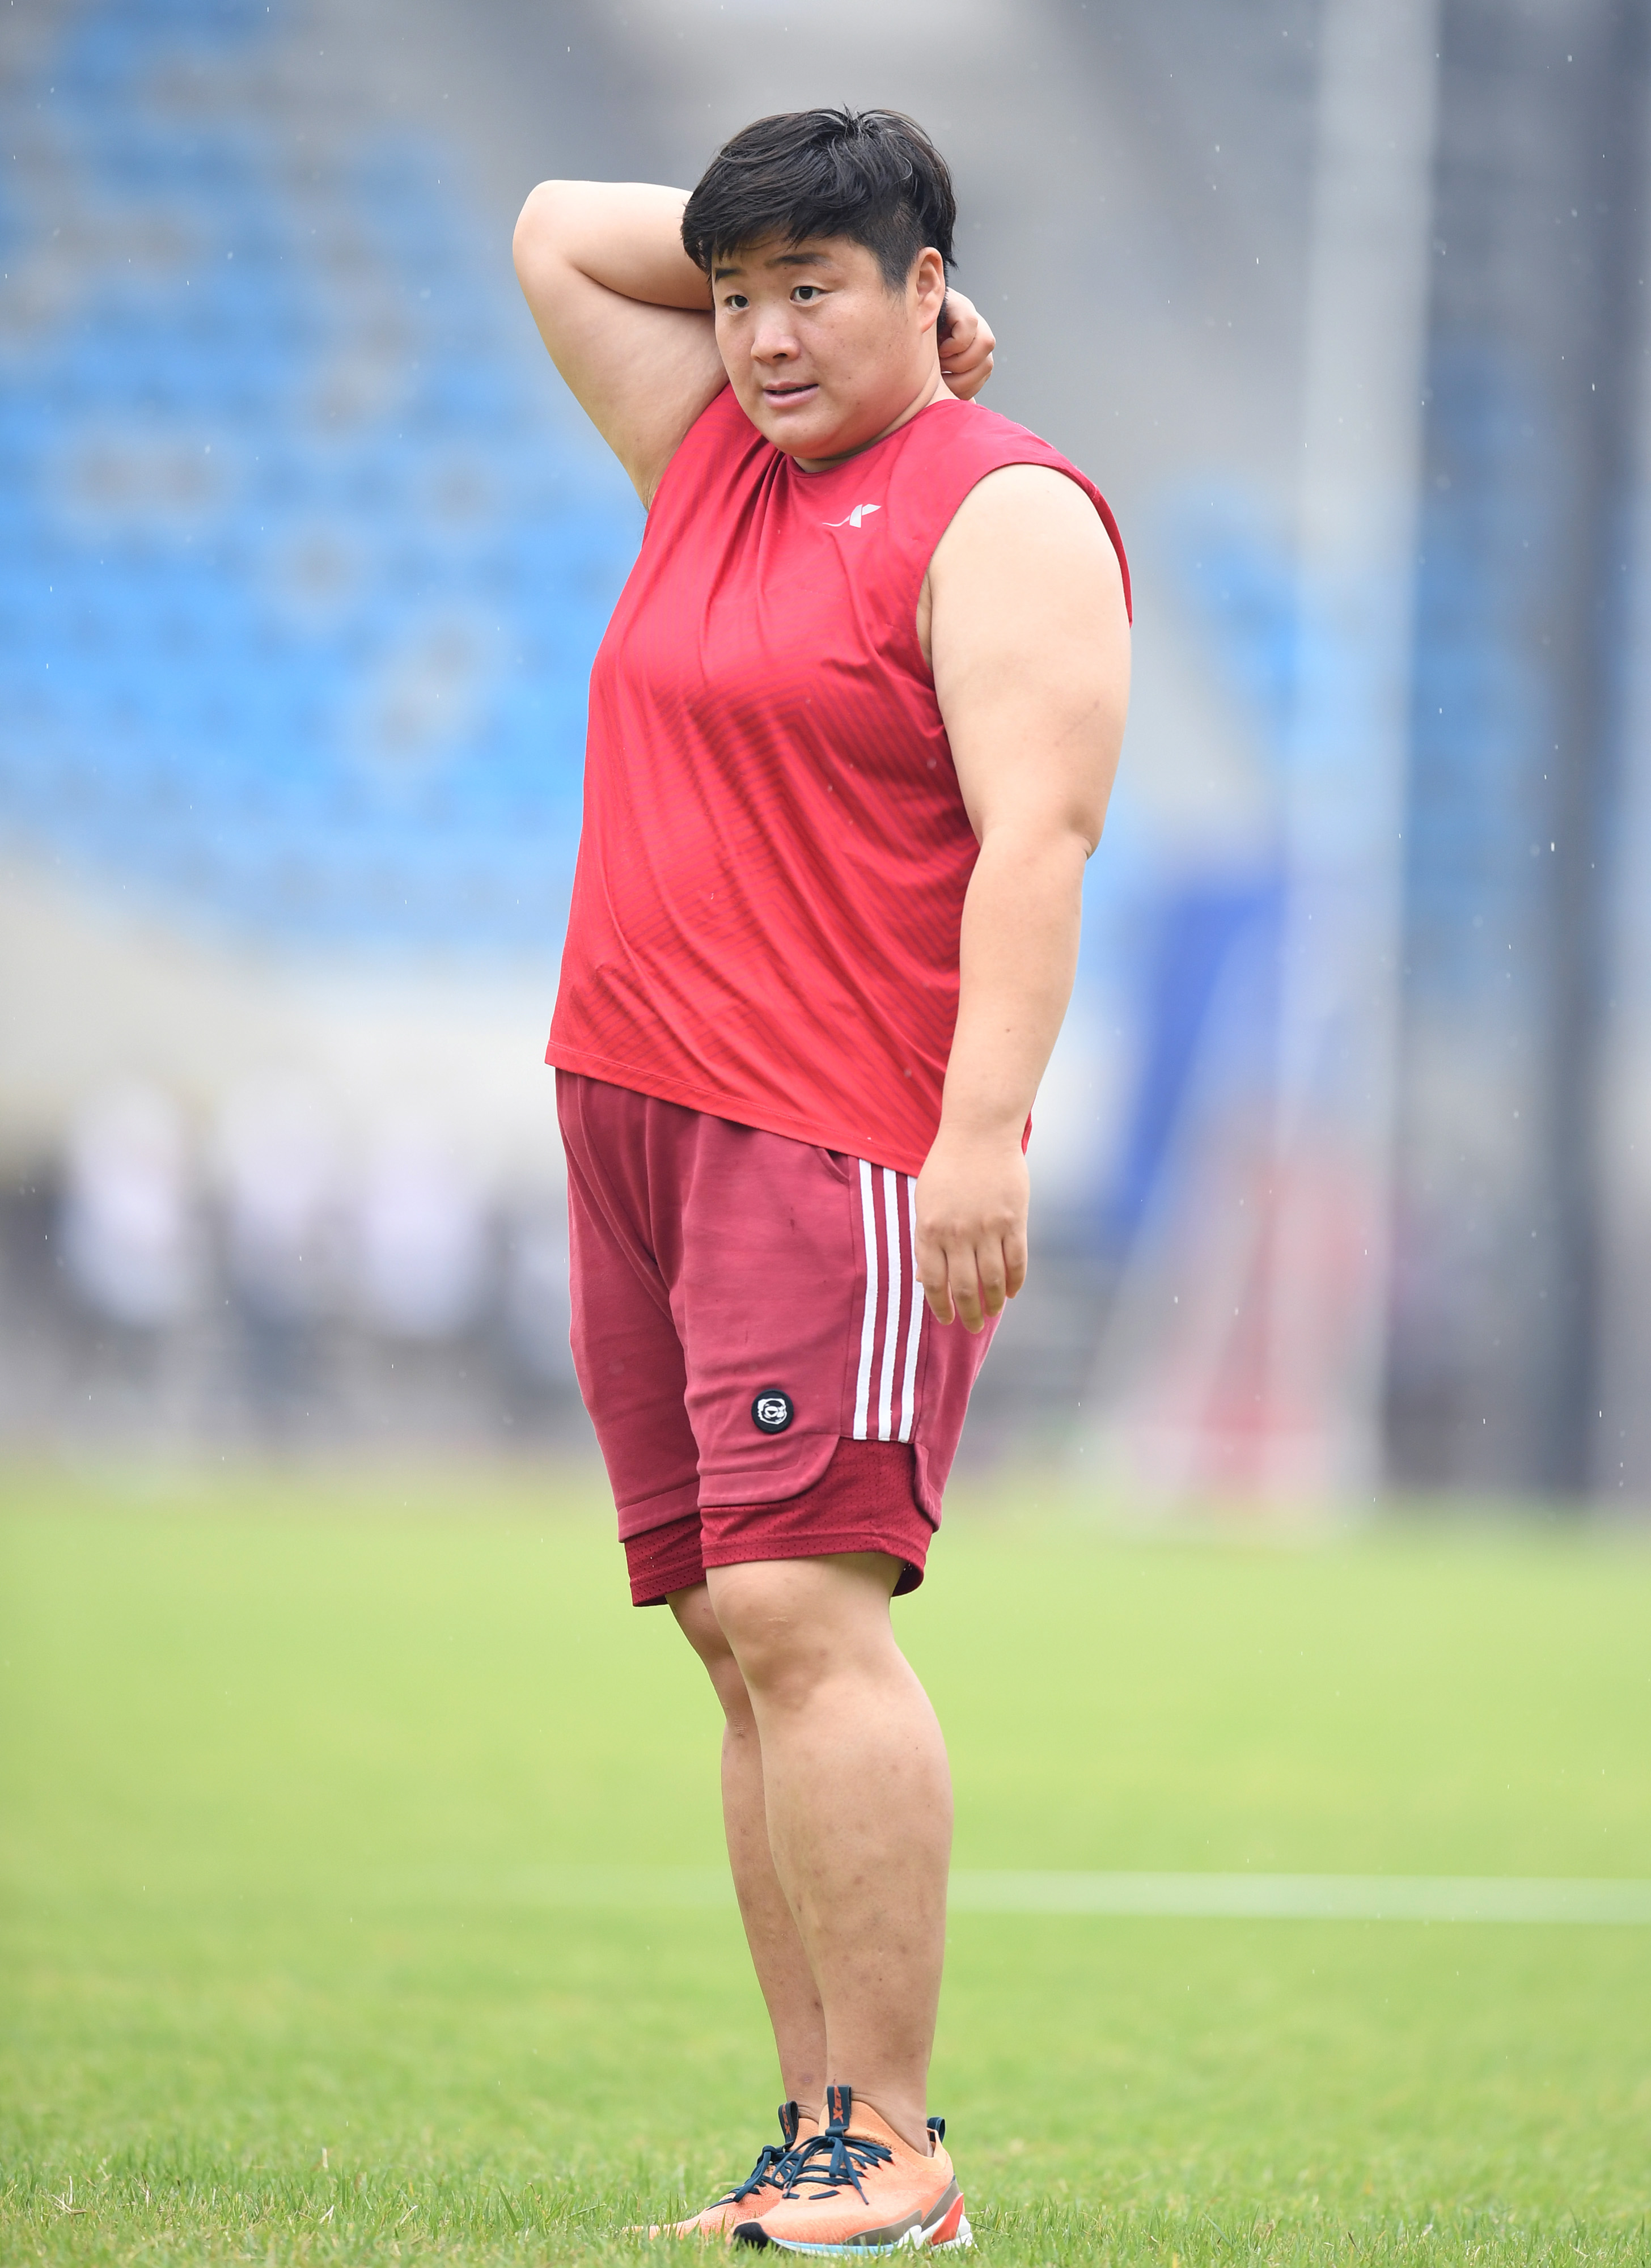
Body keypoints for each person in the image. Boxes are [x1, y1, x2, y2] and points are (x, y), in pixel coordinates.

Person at [513, 107, 1130, 2253]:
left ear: (925, 288)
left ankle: (897, 2145)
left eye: (817, 289)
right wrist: (774, 265)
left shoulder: (1002, 508)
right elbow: (557, 229)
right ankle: (817, 2140)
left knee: (799, 1604)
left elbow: (1040, 843)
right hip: (635, 1108)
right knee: (726, 1626)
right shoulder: (708, 450)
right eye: (739, 294)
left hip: (835, 1132)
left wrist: (980, 1132)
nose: (765, 337)